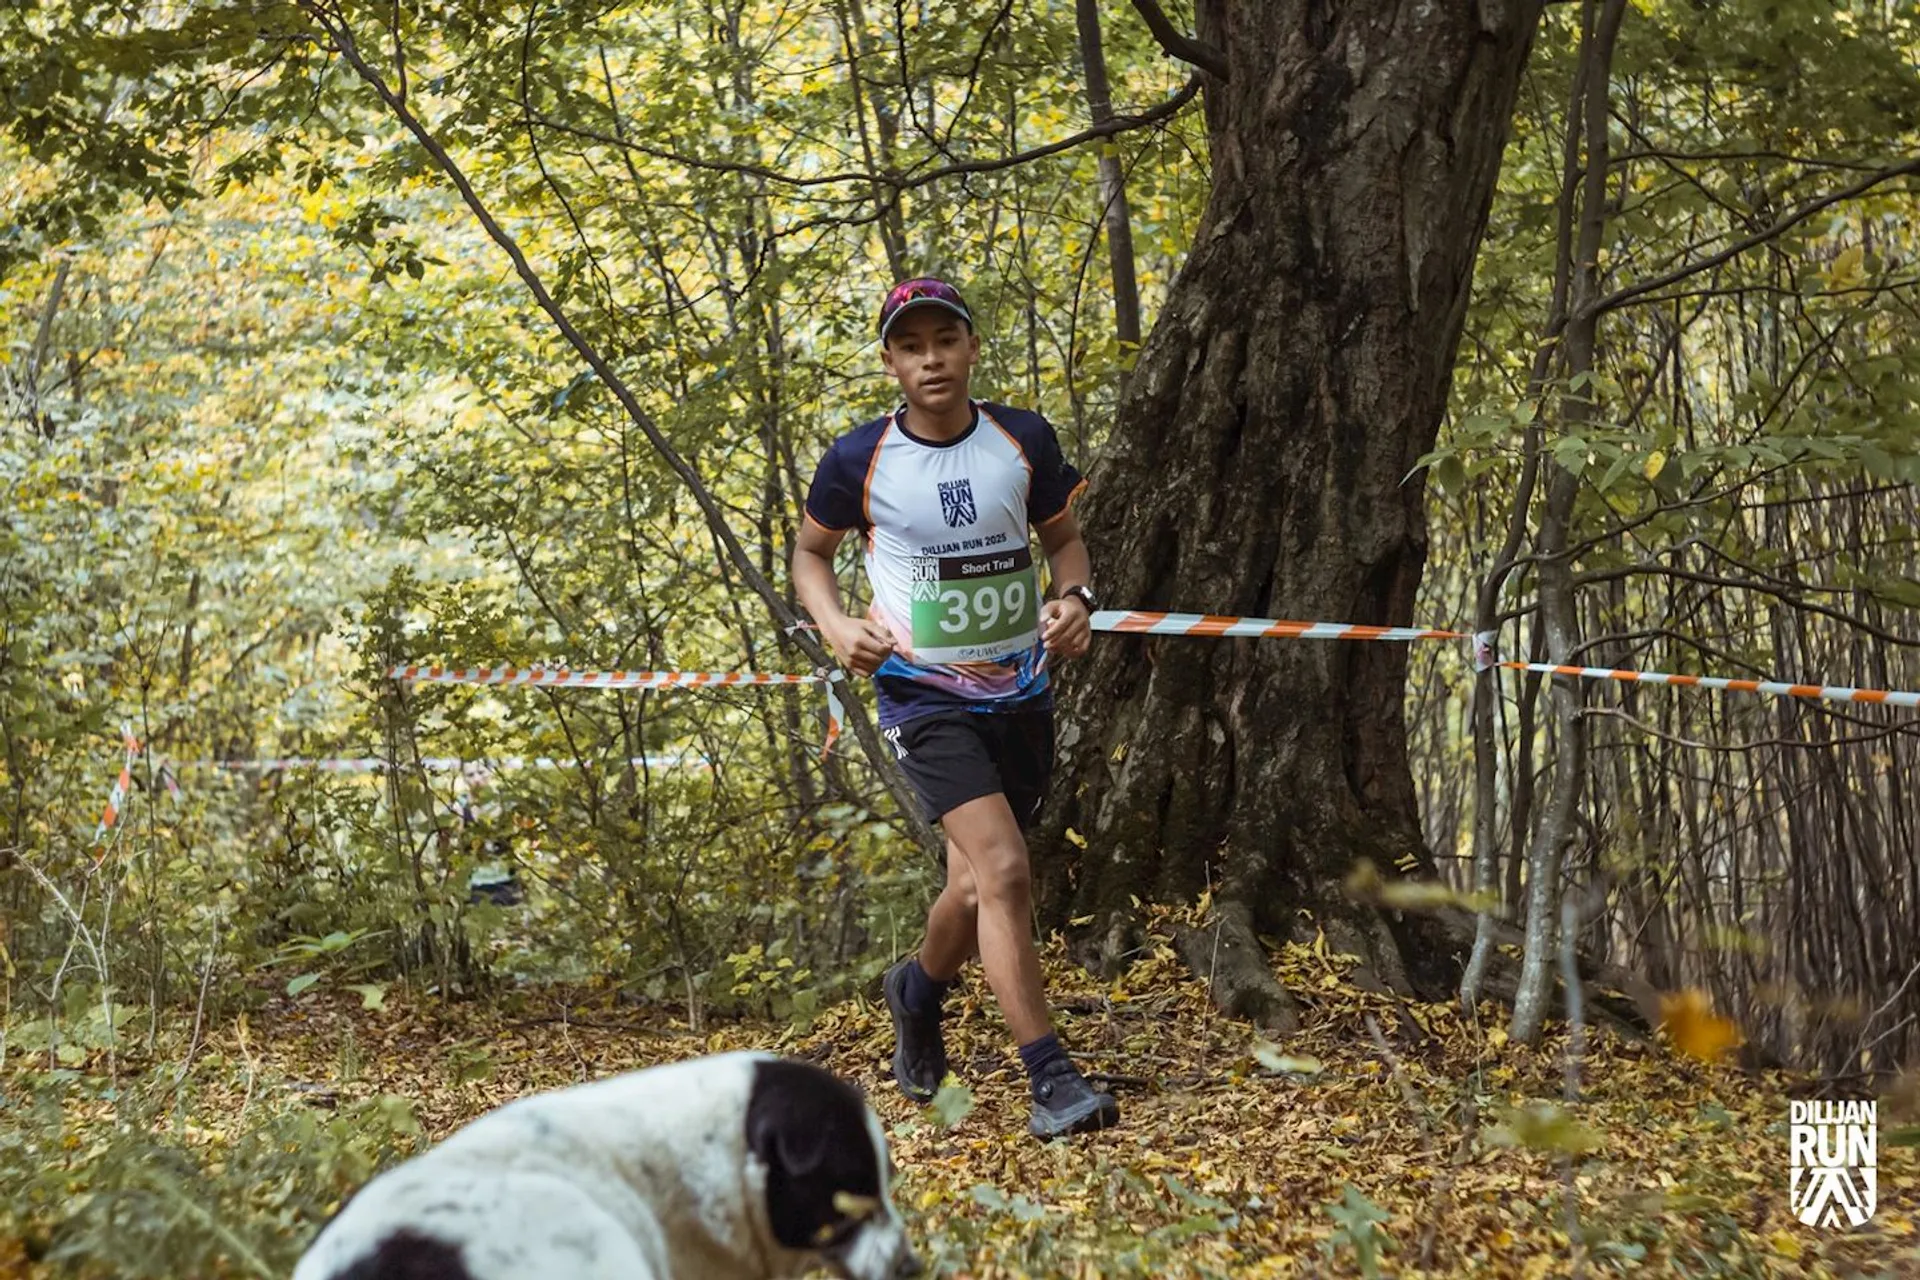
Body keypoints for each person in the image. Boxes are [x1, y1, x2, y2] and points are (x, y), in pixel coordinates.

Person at [791, 277, 1119, 1140]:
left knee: (973, 885)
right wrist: (835, 626)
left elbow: (1064, 541)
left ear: (971, 347)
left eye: (945, 340)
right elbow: (810, 555)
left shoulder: (1023, 438)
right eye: (911, 346)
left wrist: (1075, 599)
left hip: (1020, 689)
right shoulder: (858, 459)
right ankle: (1051, 1079)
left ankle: (916, 991)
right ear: (890, 363)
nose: (930, 359)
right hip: (919, 691)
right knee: (1005, 869)